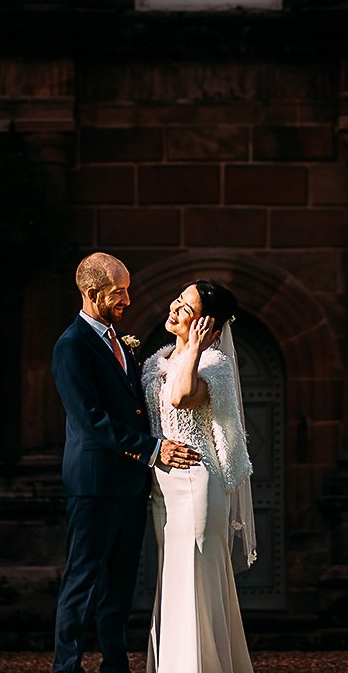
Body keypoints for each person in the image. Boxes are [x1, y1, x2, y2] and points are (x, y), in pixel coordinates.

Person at [53, 253, 202, 673]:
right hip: (95, 483)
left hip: (130, 484)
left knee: (119, 586)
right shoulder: (71, 346)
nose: (128, 300)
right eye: (119, 293)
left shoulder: (119, 340)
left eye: (127, 290)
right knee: (82, 582)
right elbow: (91, 420)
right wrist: (152, 448)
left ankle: (115, 665)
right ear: (92, 292)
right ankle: (66, 667)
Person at [139, 279, 256, 673]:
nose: (174, 308)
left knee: (196, 577)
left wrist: (193, 347)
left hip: (197, 484)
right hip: (164, 487)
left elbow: (181, 396)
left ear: (209, 326)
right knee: (173, 576)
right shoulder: (158, 359)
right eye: (177, 299)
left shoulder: (214, 365)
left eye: (186, 308)